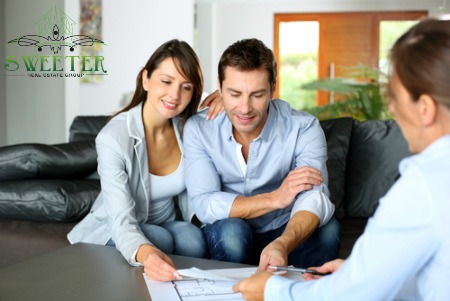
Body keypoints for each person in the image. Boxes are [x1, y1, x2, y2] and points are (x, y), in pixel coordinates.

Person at [233, 18, 450, 301]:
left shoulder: (425, 185)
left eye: (395, 97)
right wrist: (362, 273)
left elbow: (353, 296)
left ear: (425, 108)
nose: (393, 109)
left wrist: (271, 290)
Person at [67, 39, 223, 282]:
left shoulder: (187, 126)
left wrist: (226, 96)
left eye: (186, 86)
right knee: (157, 239)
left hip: (167, 223)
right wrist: (146, 253)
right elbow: (121, 219)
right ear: (146, 79)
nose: (175, 95)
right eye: (166, 81)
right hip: (118, 227)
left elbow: (241, 109)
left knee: (192, 239)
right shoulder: (113, 138)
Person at [183, 38, 340, 271]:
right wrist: (275, 198)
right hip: (231, 228)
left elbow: (314, 197)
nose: (245, 108)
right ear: (220, 87)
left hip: (283, 227)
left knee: (328, 231)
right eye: (234, 94)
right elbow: (204, 202)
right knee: (232, 233)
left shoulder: (303, 127)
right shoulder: (199, 128)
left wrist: (283, 244)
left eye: (257, 95)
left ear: (273, 88)